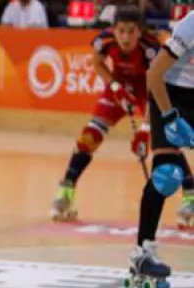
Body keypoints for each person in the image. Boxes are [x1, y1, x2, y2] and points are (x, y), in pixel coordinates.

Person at [51, 6, 162, 221]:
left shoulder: (151, 49)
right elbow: (97, 63)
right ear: (113, 29)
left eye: (131, 31)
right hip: (117, 88)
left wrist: (145, 129)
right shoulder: (104, 41)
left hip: (147, 91)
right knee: (90, 136)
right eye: (121, 31)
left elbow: (155, 89)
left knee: (165, 143)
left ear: (140, 31)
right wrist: (114, 86)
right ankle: (66, 188)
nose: (125, 38)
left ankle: (189, 195)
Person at [122, 10, 194, 288]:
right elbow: (154, 73)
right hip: (171, 94)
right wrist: (168, 117)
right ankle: (142, 253)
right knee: (167, 174)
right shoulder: (192, 24)